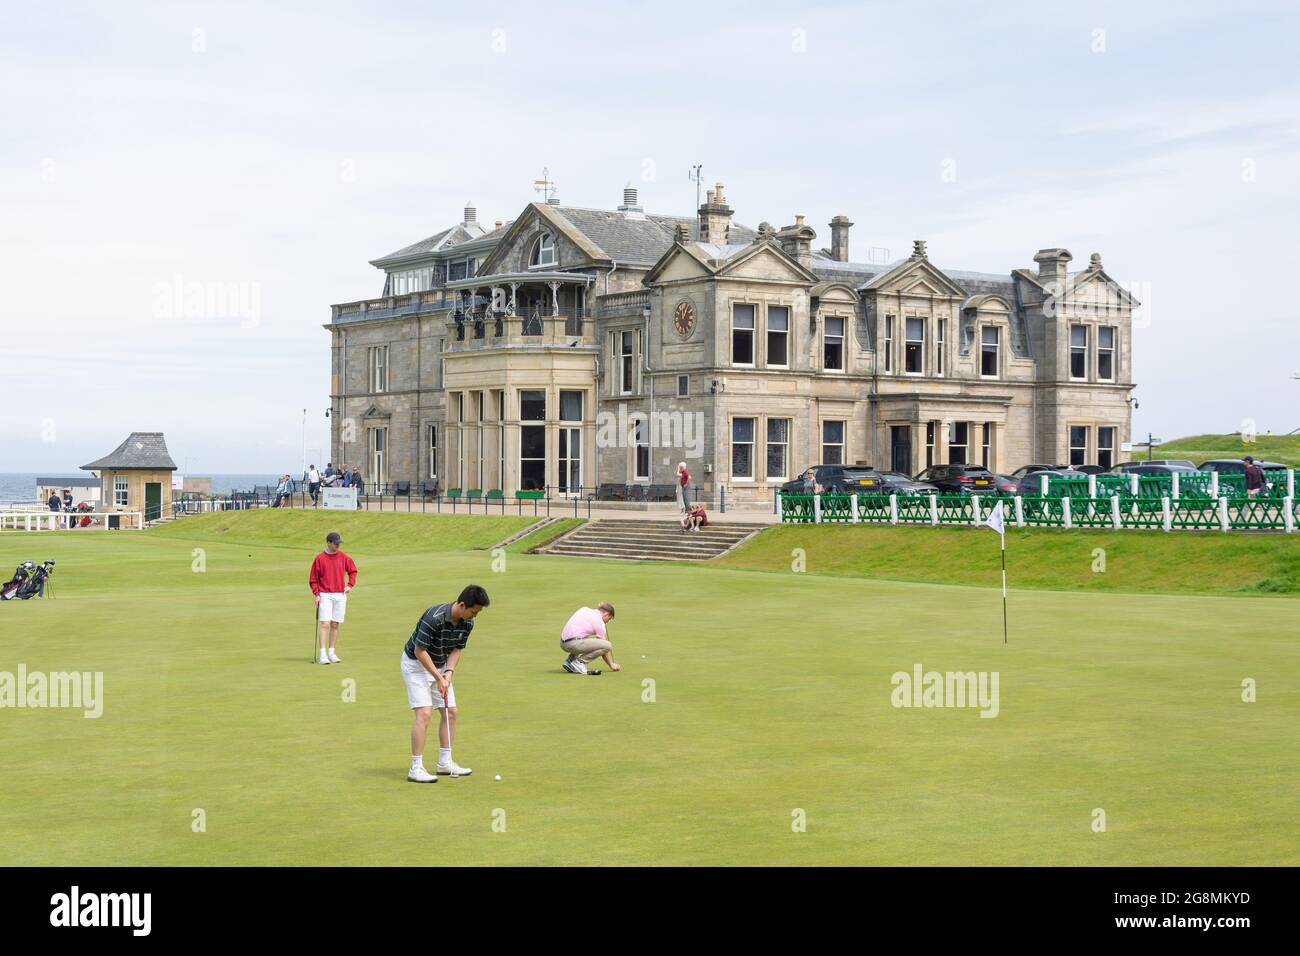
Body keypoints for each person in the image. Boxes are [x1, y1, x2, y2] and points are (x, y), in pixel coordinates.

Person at [401, 584, 490, 782]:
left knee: (450, 712)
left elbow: (457, 649)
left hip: (441, 665)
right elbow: (419, 651)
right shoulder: (434, 618)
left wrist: (448, 673)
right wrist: (439, 677)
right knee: (424, 713)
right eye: (473, 611)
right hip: (416, 665)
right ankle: (415, 768)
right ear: (461, 604)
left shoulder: (468, 623)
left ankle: (445, 763)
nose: (474, 616)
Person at [309, 531, 357, 665]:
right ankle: (322, 654)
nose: (337, 546)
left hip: (340, 595)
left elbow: (353, 571)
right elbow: (313, 579)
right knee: (325, 624)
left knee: (335, 624)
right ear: (329, 543)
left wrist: (350, 585)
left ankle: (331, 652)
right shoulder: (319, 559)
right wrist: (317, 594)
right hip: (325, 594)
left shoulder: (343, 557)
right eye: (335, 543)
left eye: (338, 543)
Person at [560, 602, 620, 676]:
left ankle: (570, 661)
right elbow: (604, 648)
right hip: (573, 644)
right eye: (609, 618)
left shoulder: (585, 609)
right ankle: (579, 662)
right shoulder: (600, 623)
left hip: (563, 643)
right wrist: (611, 664)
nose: (607, 622)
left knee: (583, 635)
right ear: (606, 614)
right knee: (607, 645)